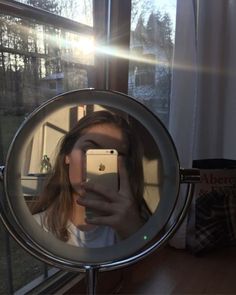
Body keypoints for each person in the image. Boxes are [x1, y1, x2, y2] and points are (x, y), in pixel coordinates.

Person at [32, 110, 148, 247]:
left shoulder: (142, 226)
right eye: (89, 150)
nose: (99, 166)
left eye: (114, 156)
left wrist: (136, 234)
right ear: (67, 155)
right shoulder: (35, 227)